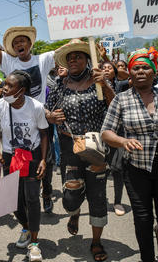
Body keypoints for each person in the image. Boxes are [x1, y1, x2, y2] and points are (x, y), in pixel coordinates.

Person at [0, 6, 56, 213]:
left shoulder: (42, 60)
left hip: (40, 117)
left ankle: (47, 191)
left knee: (47, 159)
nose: (19, 44)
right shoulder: (8, 61)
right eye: (15, 43)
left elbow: (70, 47)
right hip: (15, 120)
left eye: (22, 41)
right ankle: (21, 202)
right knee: (18, 160)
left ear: (29, 44)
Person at [45, 39, 115, 261]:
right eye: (70, 57)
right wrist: (51, 116)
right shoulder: (59, 84)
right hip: (69, 147)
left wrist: (105, 85)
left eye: (78, 56)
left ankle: (96, 241)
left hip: (96, 148)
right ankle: (74, 213)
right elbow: (48, 111)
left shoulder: (98, 82)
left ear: (87, 60)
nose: (73, 60)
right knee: (71, 196)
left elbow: (115, 107)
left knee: (97, 197)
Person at [101, 48, 158, 262]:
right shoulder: (122, 99)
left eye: (145, 67)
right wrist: (123, 141)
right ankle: (147, 258)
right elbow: (106, 132)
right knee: (143, 218)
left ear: (154, 71)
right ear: (129, 72)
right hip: (136, 168)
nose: (140, 71)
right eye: (135, 68)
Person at [0, 70, 48, 262]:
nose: (4, 88)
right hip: (9, 157)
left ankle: (34, 243)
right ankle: (26, 227)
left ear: (21, 90)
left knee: (31, 198)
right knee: (12, 200)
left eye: (9, 86)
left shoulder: (36, 107)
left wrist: (42, 159)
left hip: (31, 156)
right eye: (4, 84)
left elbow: (44, 133)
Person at [101, 61, 126, 216]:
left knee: (117, 169)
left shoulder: (122, 85)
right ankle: (101, 199)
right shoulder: (95, 86)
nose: (106, 70)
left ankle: (117, 201)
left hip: (118, 133)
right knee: (100, 168)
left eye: (109, 68)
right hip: (100, 132)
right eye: (103, 67)